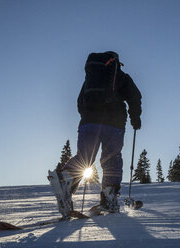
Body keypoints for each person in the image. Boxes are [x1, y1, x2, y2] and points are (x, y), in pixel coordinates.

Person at [56, 51, 142, 216]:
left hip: (89, 122)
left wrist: (89, 117)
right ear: (116, 63)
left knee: (84, 156)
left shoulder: (90, 80)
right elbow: (134, 97)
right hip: (114, 125)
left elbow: (80, 103)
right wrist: (135, 118)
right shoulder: (121, 77)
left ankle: (66, 180)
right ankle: (109, 197)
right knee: (112, 158)